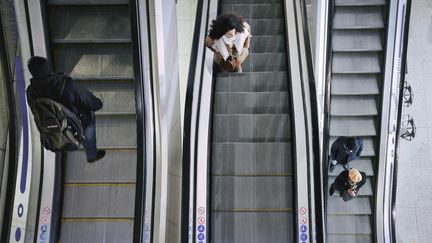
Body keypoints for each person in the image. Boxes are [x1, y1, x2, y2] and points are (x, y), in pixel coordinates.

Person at [26, 56, 105, 163]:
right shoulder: (66, 85)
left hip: (50, 134)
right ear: (48, 68)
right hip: (74, 128)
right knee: (89, 114)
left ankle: (61, 140)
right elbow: (91, 102)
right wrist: (98, 103)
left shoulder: (30, 92)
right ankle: (92, 154)